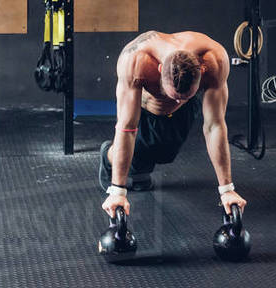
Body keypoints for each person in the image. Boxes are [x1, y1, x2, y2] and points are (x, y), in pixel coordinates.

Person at [98, 30, 245, 218]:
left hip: (183, 113)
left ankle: (140, 164)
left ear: (202, 69)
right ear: (159, 69)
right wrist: (117, 191)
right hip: (146, 112)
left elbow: (215, 125)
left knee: (165, 154)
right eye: (173, 96)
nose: (176, 101)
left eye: (182, 97)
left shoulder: (215, 60)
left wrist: (227, 189)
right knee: (140, 149)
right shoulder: (137, 60)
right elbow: (127, 127)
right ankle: (108, 155)